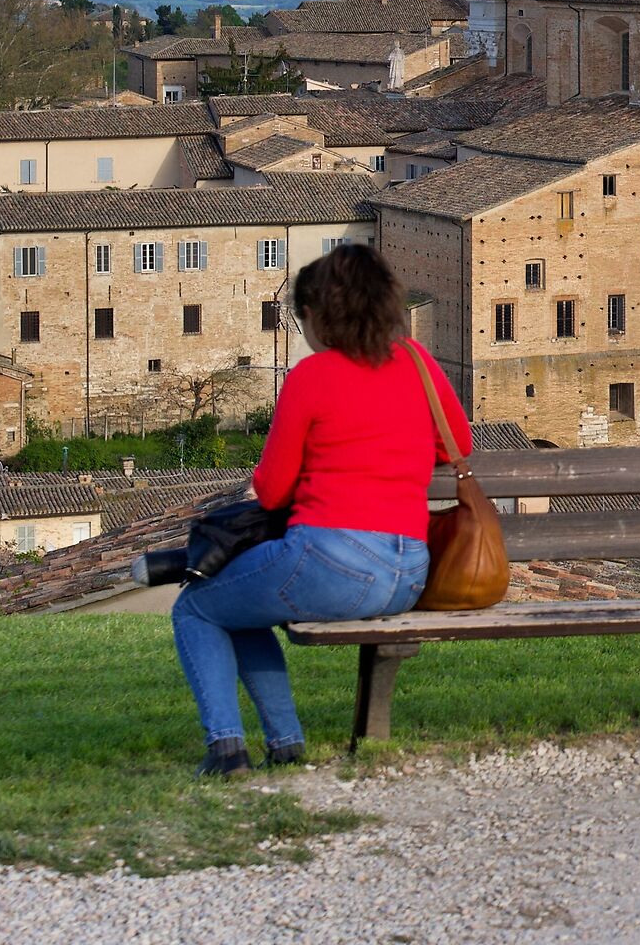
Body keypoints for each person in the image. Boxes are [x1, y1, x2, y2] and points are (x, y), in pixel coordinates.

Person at [170, 243, 472, 777]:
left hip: (332, 562)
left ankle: (225, 748)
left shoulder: (312, 377)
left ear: (319, 314)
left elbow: (271, 490)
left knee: (197, 607)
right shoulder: (417, 362)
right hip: (408, 570)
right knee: (239, 609)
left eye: (300, 317)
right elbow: (457, 446)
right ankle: (283, 745)